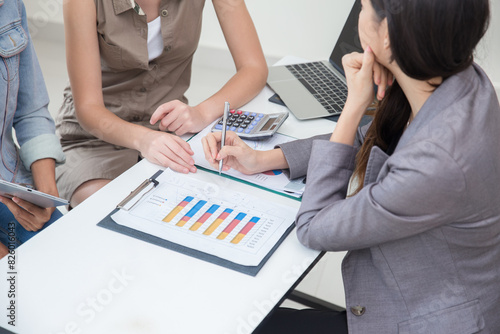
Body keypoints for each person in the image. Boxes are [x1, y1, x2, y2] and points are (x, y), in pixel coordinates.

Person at [203, 0, 500, 332]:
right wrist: (265, 158)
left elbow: (314, 227)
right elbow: (373, 136)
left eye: (364, 4)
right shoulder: (462, 78)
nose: (359, 7)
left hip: (421, 320)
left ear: (387, 35)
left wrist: (355, 102)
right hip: (446, 295)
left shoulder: (434, 163)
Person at [56, 0, 268, 208]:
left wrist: (202, 113)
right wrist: (144, 139)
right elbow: (88, 109)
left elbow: (253, 68)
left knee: (215, 203)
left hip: (168, 132)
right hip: (94, 138)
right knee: (113, 214)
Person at [0, 0, 66, 258]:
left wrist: (46, 193)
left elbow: (30, 110)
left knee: (71, 257)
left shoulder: (9, 6)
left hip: (8, 183)